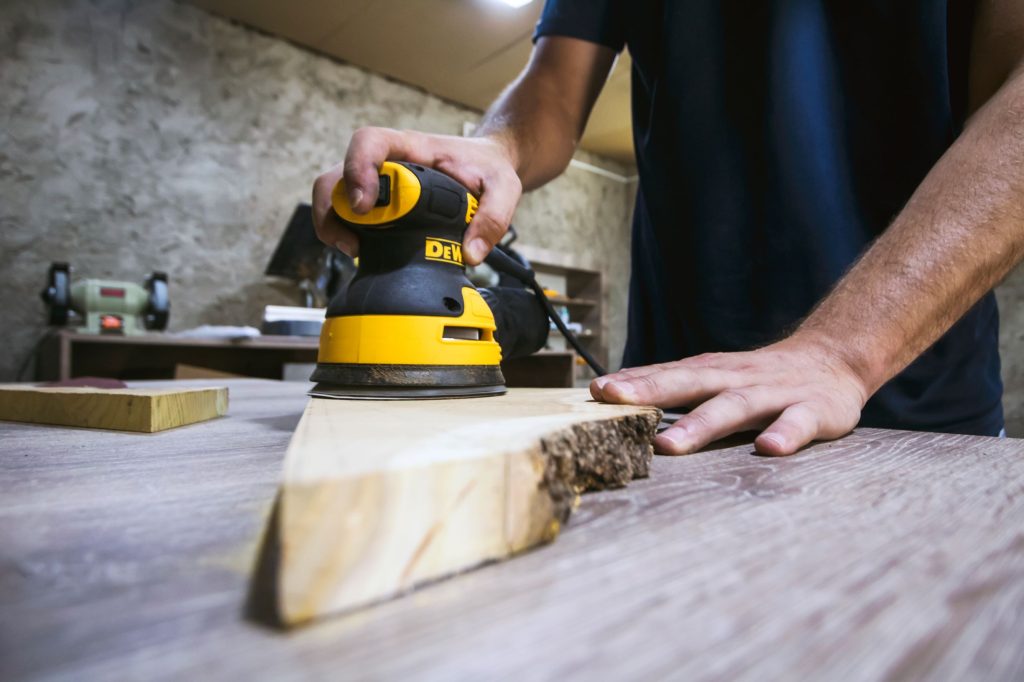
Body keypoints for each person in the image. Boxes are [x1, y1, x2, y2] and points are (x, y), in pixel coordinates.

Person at [312, 0, 1024, 456]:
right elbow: (553, 93)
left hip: (914, 407)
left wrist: (844, 352)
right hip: (668, 408)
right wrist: (496, 149)